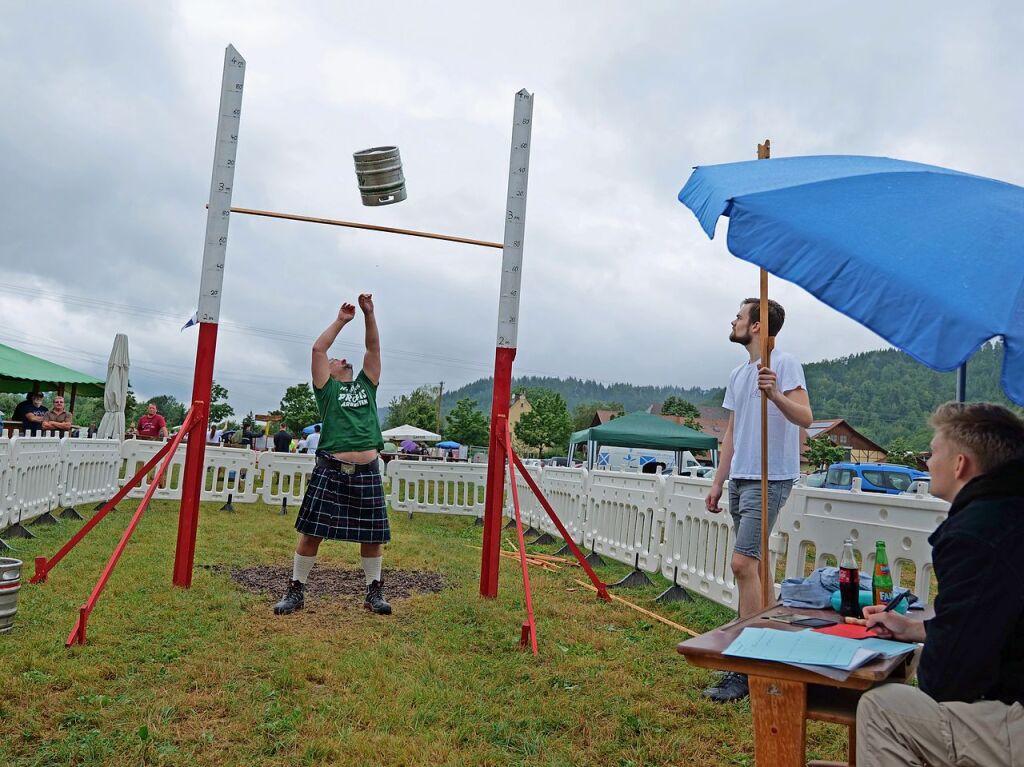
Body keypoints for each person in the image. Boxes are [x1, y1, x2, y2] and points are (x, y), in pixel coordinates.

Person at [856, 402, 1024, 766]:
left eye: (932, 453)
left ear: (960, 464)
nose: (927, 463)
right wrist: (917, 629)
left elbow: (947, 680)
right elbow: (1000, 626)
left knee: (883, 709)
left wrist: (935, 644)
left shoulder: (977, 533)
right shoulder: (1011, 511)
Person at [702, 298, 813, 703]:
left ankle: (744, 665)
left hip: (771, 478)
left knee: (742, 562)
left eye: (740, 315)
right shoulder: (737, 374)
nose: (733, 319)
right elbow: (732, 432)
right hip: (742, 478)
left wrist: (776, 395)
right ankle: (767, 647)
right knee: (759, 564)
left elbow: (805, 417)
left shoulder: (784, 364)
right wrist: (718, 481)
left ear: (757, 326)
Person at [273, 294, 391, 617]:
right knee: (311, 533)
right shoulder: (327, 390)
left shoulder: (367, 385)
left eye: (342, 359)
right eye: (336, 359)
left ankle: (373, 592)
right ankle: (296, 591)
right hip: (331, 470)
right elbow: (318, 349)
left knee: (373, 535)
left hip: (367, 473)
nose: (342, 359)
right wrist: (341, 320)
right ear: (326, 371)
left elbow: (373, 349)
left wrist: (369, 314)